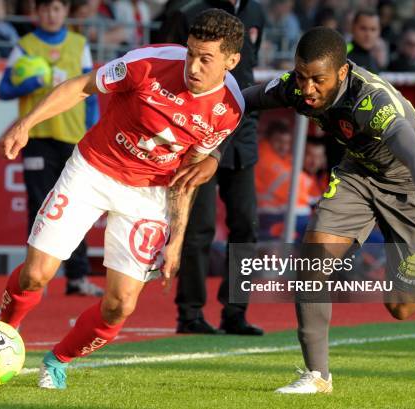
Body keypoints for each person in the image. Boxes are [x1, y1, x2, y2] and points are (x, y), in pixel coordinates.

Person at [0, 8, 245, 389]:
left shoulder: (228, 109)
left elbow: (188, 175)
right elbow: (81, 87)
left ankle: (57, 360)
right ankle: (3, 338)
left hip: (149, 195)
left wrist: (176, 240)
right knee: (36, 274)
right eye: (191, 53)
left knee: (121, 304)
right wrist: (26, 124)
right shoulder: (149, 63)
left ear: (231, 61)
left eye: (205, 59)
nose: (192, 66)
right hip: (93, 169)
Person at [243, 26, 415, 394]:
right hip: (360, 172)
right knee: (312, 260)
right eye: (301, 77)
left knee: (400, 307)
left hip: (411, 182)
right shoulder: (295, 87)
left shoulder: (373, 103)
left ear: (342, 73)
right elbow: (240, 100)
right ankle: (317, 377)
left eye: (318, 80)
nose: (308, 88)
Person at [157, 0, 265, 336]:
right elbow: (166, 68)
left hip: (241, 129)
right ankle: (190, 314)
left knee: (245, 226)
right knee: (198, 228)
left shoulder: (256, 12)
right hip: (197, 130)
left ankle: (236, 311)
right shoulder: (188, 11)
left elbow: (247, 73)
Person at [0, 0, 103, 296]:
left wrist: (93, 130)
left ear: (65, 12)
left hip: (73, 138)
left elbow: (91, 94)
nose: (51, 15)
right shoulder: (25, 45)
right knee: (39, 205)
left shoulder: (79, 43)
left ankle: (77, 277)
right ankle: (33, 279)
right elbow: (3, 90)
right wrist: (29, 83)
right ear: (36, 13)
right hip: (37, 137)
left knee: (77, 207)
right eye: (45, 9)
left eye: (56, 9)